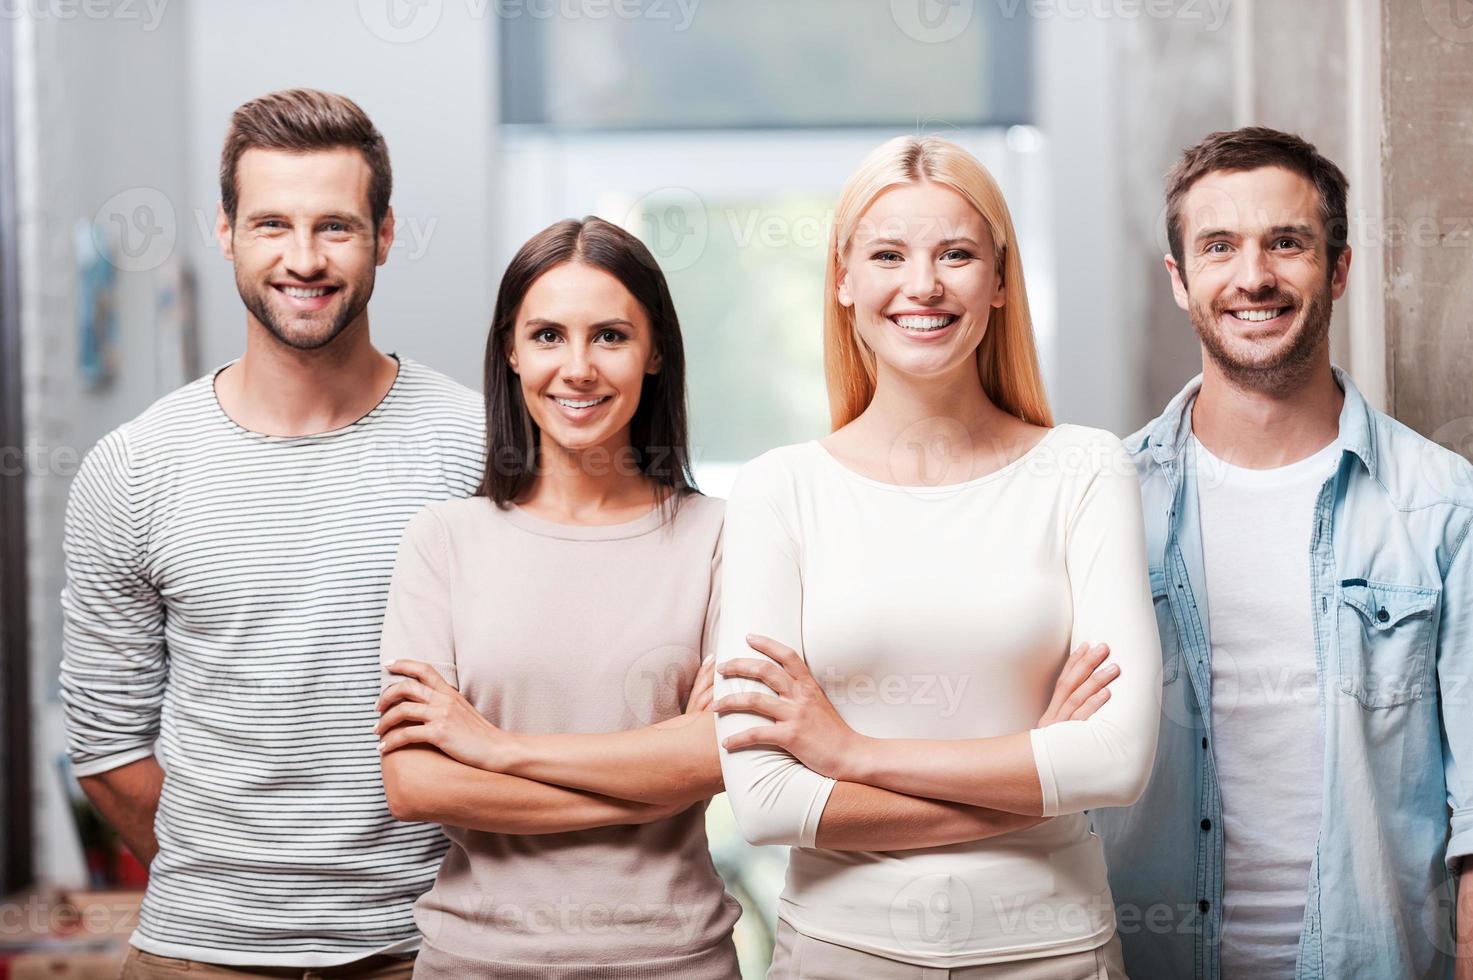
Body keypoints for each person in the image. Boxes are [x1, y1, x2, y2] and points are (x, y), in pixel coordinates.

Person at [58, 89, 484, 978]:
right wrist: (237, 893)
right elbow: (105, 749)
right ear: (225, 232)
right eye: (271, 226)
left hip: (428, 952)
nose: (303, 259)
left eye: (335, 226)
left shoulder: (480, 449)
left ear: (385, 233)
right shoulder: (133, 467)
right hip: (193, 956)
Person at [712, 134, 1159, 978]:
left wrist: (852, 754)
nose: (923, 285)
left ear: (997, 282)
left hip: (1053, 951)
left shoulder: (1083, 468)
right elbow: (764, 799)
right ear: (843, 279)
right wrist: (1031, 771)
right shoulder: (780, 489)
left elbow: (1116, 758)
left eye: (955, 254)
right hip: (842, 955)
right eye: (888, 254)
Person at [1089, 126, 1473, 979]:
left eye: (1286, 243)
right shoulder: (1100, 500)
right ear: (1178, 280)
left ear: (1336, 269)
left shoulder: (1443, 507)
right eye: (1218, 246)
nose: (1252, 276)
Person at [374, 217, 742, 979]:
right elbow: (417, 783)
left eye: (610, 336)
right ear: (510, 351)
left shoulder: (720, 537)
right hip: (476, 961)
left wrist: (497, 749)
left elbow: (718, 756)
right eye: (547, 336)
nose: (577, 368)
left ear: (655, 351)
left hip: (673, 961)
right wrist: (649, 786)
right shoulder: (442, 540)